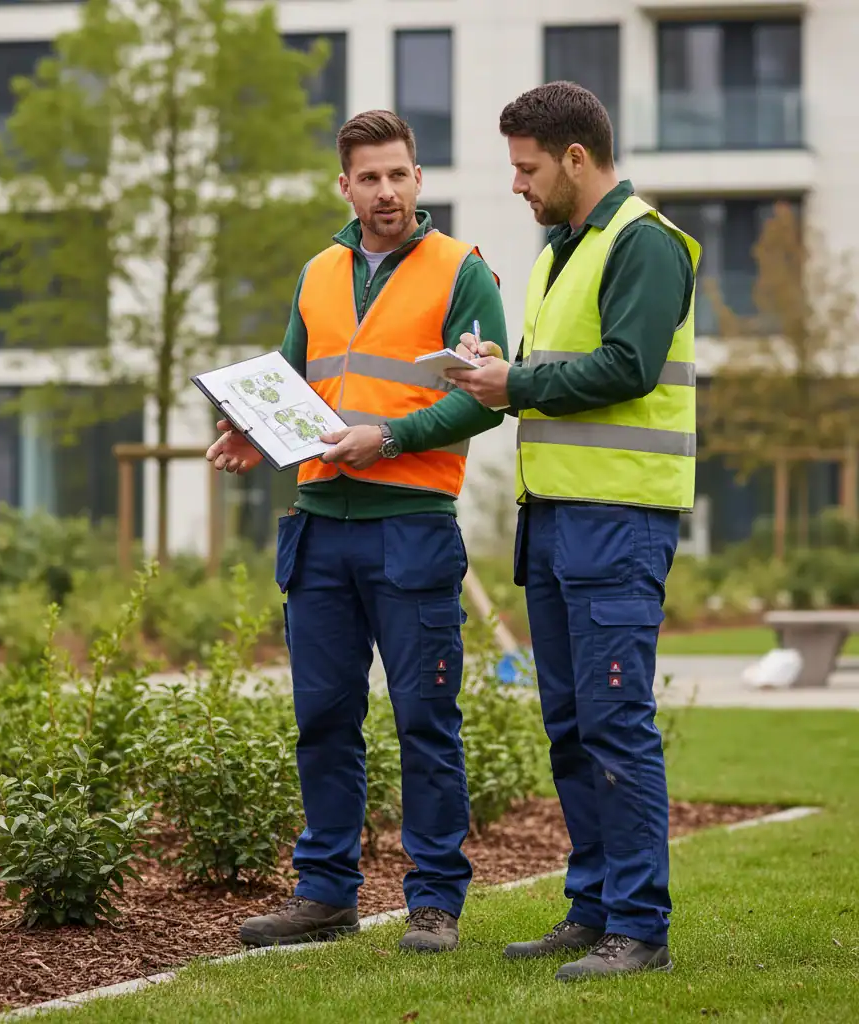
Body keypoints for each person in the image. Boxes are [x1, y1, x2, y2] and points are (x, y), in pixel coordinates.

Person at [205, 110, 509, 953]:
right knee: (324, 719)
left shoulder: (462, 272)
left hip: (410, 526)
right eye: (368, 177)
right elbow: (291, 385)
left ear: (420, 178)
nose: (386, 191)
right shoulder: (316, 273)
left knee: (425, 720)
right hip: (319, 526)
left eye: (399, 175)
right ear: (345, 185)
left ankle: (435, 902)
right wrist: (249, 431)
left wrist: (395, 434)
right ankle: (326, 895)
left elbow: (486, 394)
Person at [445, 81, 699, 981]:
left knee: (617, 724)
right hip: (553, 523)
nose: (517, 185)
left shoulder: (646, 245)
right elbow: (559, 370)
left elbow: (627, 366)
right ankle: (593, 910)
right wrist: (497, 368)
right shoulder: (564, 252)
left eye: (527, 167)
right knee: (569, 726)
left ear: (576, 158)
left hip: (618, 523)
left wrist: (514, 387)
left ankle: (640, 928)